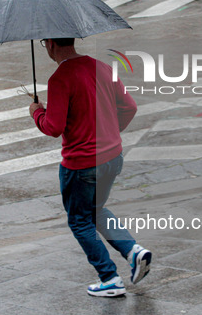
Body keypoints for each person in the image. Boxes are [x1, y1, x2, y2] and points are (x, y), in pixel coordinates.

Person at [30, 38, 152, 298]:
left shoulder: (60, 78)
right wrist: (110, 132)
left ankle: (109, 277)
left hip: (82, 164)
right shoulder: (102, 67)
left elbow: (53, 127)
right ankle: (133, 251)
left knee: (79, 220)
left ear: (50, 43)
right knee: (95, 209)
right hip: (113, 157)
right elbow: (129, 106)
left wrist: (37, 113)